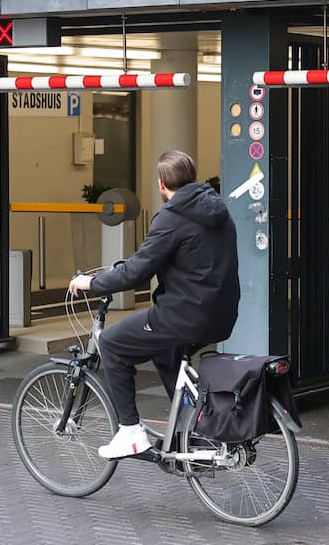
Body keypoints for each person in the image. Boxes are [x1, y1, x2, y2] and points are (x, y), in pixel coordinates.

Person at [68, 150, 240, 459]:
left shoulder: (173, 217)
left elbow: (136, 273)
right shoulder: (219, 210)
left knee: (112, 344)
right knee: (164, 352)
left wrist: (92, 283)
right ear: (193, 177)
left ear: (161, 184)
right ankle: (198, 427)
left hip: (185, 315)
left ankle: (130, 432)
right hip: (221, 314)